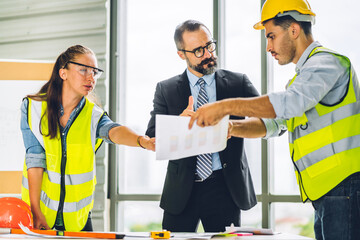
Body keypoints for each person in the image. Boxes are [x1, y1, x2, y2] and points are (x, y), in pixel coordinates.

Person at [189, 0, 360, 239]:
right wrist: (230, 126)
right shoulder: (303, 81)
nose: (268, 46)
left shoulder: (328, 63)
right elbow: (274, 125)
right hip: (327, 192)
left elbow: (289, 103)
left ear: (293, 30)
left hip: (345, 186)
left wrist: (223, 107)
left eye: (271, 36)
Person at [20, 45, 155, 232]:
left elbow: (114, 131)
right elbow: (35, 159)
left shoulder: (93, 115)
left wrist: (143, 141)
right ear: (63, 73)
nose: (91, 77)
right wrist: (36, 211)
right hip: (39, 214)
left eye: (94, 72)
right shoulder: (33, 108)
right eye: (83, 70)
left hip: (78, 220)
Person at [146, 20, 264, 232]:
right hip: (181, 190)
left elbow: (269, 121)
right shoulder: (166, 89)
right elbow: (153, 138)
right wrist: (178, 124)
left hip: (225, 188)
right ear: (182, 54)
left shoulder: (238, 83)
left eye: (210, 45)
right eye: (199, 51)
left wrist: (233, 126)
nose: (208, 54)